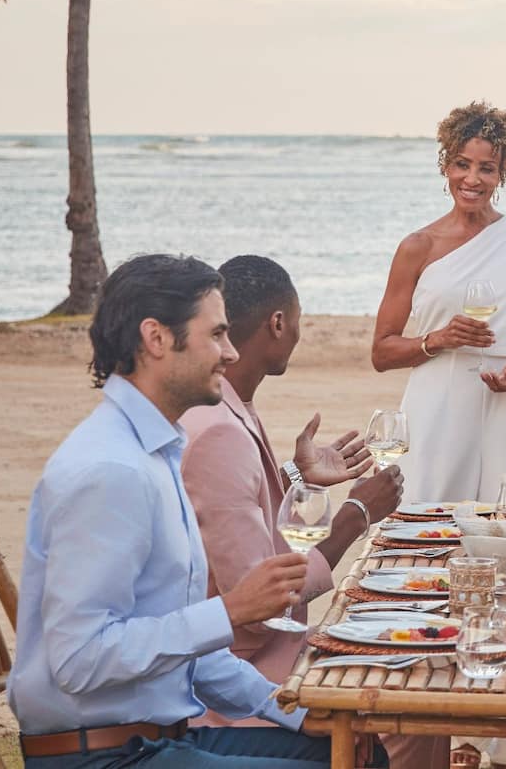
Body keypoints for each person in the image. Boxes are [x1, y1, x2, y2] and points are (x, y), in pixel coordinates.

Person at [9, 254, 341, 767]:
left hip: (156, 735)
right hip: (104, 754)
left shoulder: (155, 450)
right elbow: (78, 660)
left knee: (353, 747)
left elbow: (188, 646)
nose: (230, 354)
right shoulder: (110, 469)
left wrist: (296, 711)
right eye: (216, 335)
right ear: (157, 339)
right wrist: (229, 612)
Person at [179, 256, 404, 720]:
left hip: (255, 659)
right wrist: (356, 515)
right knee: (409, 712)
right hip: (245, 681)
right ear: (278, 323)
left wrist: (295, 476)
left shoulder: (228, 407)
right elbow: (259, 608)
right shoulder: (218, 429)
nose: (299, 334)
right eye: (298, 321)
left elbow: (232, 505)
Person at [372, 102, 506, 502]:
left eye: (486, 168)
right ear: (446, 166)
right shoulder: (417, 247)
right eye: (462, 164)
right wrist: (437, 340)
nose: (472, 179)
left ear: (501, 174)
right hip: (437, 409)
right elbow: (382, 352)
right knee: (426, 531)